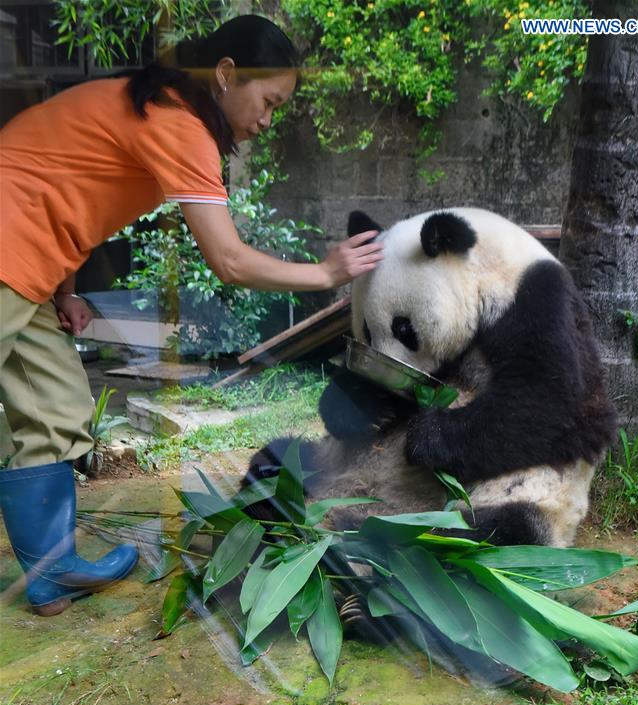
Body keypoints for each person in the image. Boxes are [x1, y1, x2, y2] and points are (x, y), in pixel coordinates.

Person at [0, 14, 383, 617]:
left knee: (55, 411)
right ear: (227, 75)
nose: (267, 118)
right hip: (6, 248)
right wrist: (326, 274)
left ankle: (51, 575)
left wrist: (66, 290)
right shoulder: (179, 123)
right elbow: (228, 259)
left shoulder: (167, 109)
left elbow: (70, 192)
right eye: (269, 101)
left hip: (30, 261)